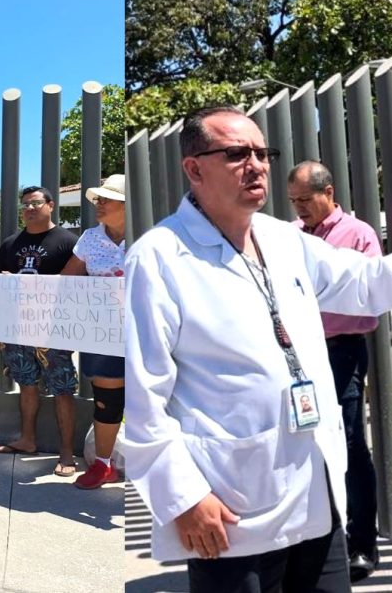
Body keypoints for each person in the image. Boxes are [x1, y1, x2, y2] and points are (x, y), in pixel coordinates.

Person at [122, 104, 392, 592]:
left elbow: (366, 284)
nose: (257, 164)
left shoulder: (284, 239)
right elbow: (144, 399)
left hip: (316, 498)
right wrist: (183, 497)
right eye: (236, 153)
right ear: (193, 167)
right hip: (230, 508)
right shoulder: (159, 258)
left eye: (262, 152)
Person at [288, 160, 381, 581]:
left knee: (346, 443)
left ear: (329, 193)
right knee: (307, 444)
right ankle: (322, 542)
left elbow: (368, 294)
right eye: (293, 201)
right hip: (298, 355)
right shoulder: (290, 237)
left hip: (341, 350)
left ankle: (361, 544)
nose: (300, 208)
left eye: (305, 199)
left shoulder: (357, 234)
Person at [0, 186, 80, 476]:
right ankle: (27, 440)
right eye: (25, 204)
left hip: (55, 330)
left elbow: (80, 287)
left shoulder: (69, 242)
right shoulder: (10, 244)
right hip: (18, 329)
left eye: (36, 203)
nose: (30, 208)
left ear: (50, 205)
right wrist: (3, 332)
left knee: (63, 389)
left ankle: (66, 453)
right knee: (26, 385)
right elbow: (0, 288)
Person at [62, 174, 125, 490]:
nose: (98, 204)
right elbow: (66, 281)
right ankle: (103, 465)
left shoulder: (152, 236)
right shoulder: (89, 238)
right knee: (107, 401)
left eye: (106, 199)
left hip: (150, 335)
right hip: (104, 334)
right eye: (98, 198)